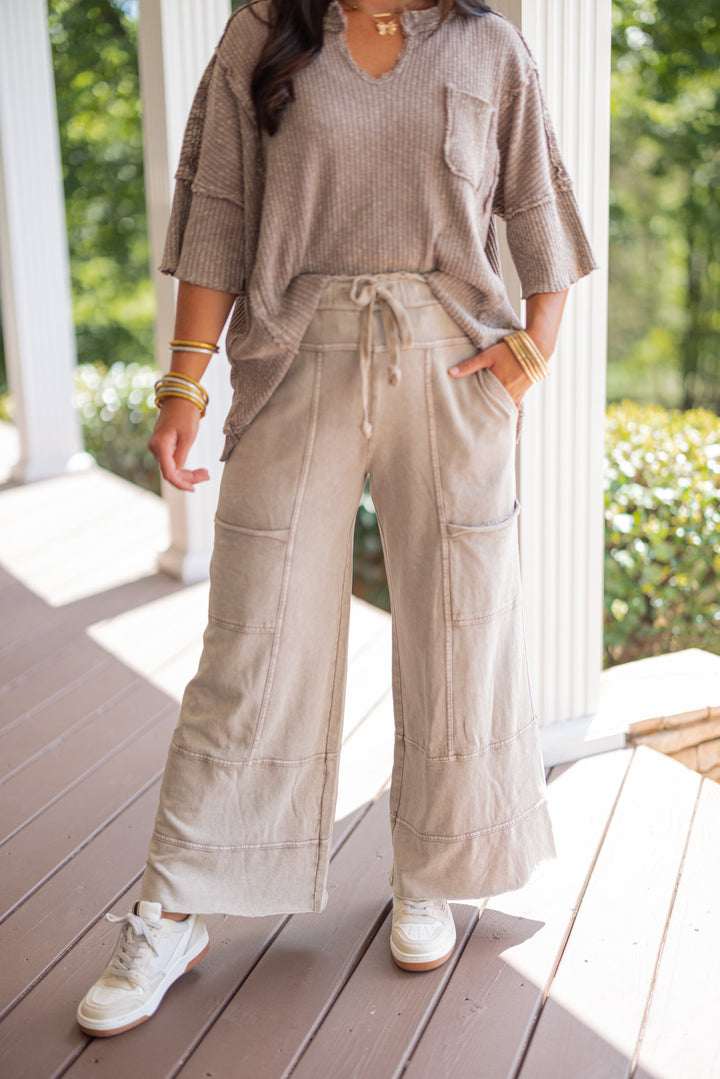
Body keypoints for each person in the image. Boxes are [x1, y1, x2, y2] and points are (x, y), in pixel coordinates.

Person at [76, 0, 597, 1037]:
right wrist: (182, 386)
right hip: (293, 357)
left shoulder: (486, 46)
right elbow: (219, 207)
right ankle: (172, 904)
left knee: (462, 626)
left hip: (451, 364)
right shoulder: (264, 30)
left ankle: (433, 866)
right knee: (252, 638)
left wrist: (531, 353)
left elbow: (540, 205)